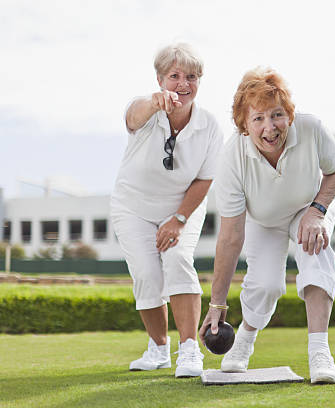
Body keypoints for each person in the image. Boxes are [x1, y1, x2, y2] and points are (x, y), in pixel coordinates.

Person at [199, 67, 335, 384]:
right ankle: (245, 341)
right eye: (258, 119)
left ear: (289, 115)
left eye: (277, 115)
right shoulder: (231, 158)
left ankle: (320, 352)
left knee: (313, 250)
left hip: (310, 207)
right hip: (264, 220)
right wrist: (217, 303)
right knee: (265, 284)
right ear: (244, 125)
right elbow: (230, 237)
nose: (270, 128)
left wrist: (318, 210)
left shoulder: (311, 127)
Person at [110, 43, 222, 378]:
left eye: (190, 76)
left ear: (199, 82)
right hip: (132, 206)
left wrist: (178, 219)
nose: (182, 83)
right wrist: (153, 103)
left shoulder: (210, 126)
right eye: (174, 76)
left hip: (182, 207)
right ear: (160, 79)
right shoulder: (143, 109)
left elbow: (205, 179)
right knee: (146, 273)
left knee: (176, 260)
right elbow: (133, 116)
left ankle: (189, 350)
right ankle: (158, 349)